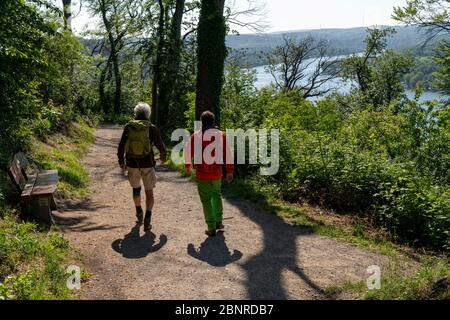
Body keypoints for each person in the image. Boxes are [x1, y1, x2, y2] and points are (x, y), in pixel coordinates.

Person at [117, 102, 167, 232]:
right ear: (148, 114)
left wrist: (121, 161)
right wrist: (163, 157)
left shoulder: (128, 126)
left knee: (136, 189)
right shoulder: (152, 128)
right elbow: (160, 145)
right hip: (148, 164)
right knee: (149, 191)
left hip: (132, 163)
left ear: (136, 113)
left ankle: (139, 211)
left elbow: (121, 145)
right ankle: (148, 219)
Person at [185, 111, 234, 237]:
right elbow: (228, 153)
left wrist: (187, 165)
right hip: (217, 172)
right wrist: (229, 171)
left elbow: (188, 151)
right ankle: (219, 221)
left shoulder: (196, 136)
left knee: (206, 199)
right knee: (217, 194)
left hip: (202, 174)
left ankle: (211, 227)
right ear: (213, 122)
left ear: (201, 122)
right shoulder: (221, 135)